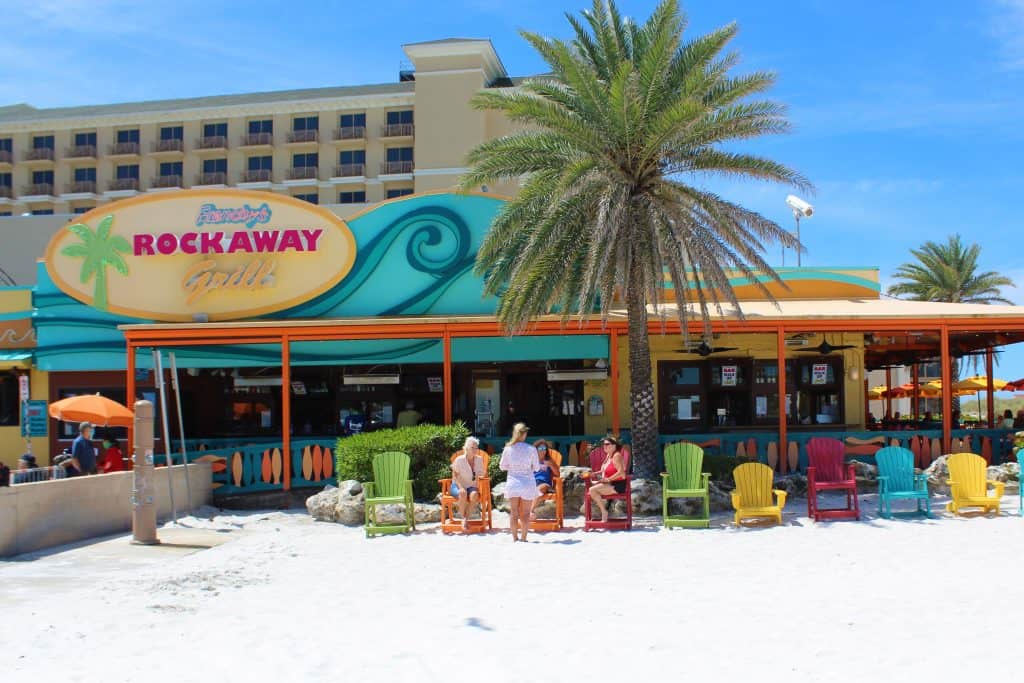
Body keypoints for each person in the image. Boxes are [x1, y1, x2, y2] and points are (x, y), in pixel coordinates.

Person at [499, 422, 539, 542]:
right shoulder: (531, 449)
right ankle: (524, 538)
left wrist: (513, 468)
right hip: (527, 482)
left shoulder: (508, 449)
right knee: (526, 513)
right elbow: (536, 467)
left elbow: (502, 466)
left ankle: (515, 538)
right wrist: (528, 468)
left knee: (514, 512)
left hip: (513, 482)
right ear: (524, 434)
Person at [588, 436, 627, 524]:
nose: (604, 446)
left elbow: (621, 473)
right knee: (592, 490)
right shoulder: (609, 455)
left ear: (614, 446)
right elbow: (604, 469)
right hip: (609, 483)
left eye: (607, 444)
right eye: (603, 444)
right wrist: (595, 473)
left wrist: (608, 479)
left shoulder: (617, 456)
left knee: (592, 490)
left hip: (617, 485)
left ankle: (604, 512)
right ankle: (605, 509)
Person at [450, 436, 485, 531]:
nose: (474, 450)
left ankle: (466, 519)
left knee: (474, 495)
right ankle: (463, 518)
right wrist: (461, 487)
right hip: (457, 485)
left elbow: (482, 474)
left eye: (476, 448)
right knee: (462, 493)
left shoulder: (479, 459)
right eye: (472, 448)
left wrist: (481, 480)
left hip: (471, 486)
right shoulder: (459, 460)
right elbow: (455, 476)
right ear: (466, 448)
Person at [530, 439, 560, 519]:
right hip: (532, 483)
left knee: (540, 488)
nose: (543, 451)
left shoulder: (549, 461)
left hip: (544, 483)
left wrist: (552, 466)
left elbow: (557, 474)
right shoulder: (531, 461)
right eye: (540, 449)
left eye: (544, 449)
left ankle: (530, 511)